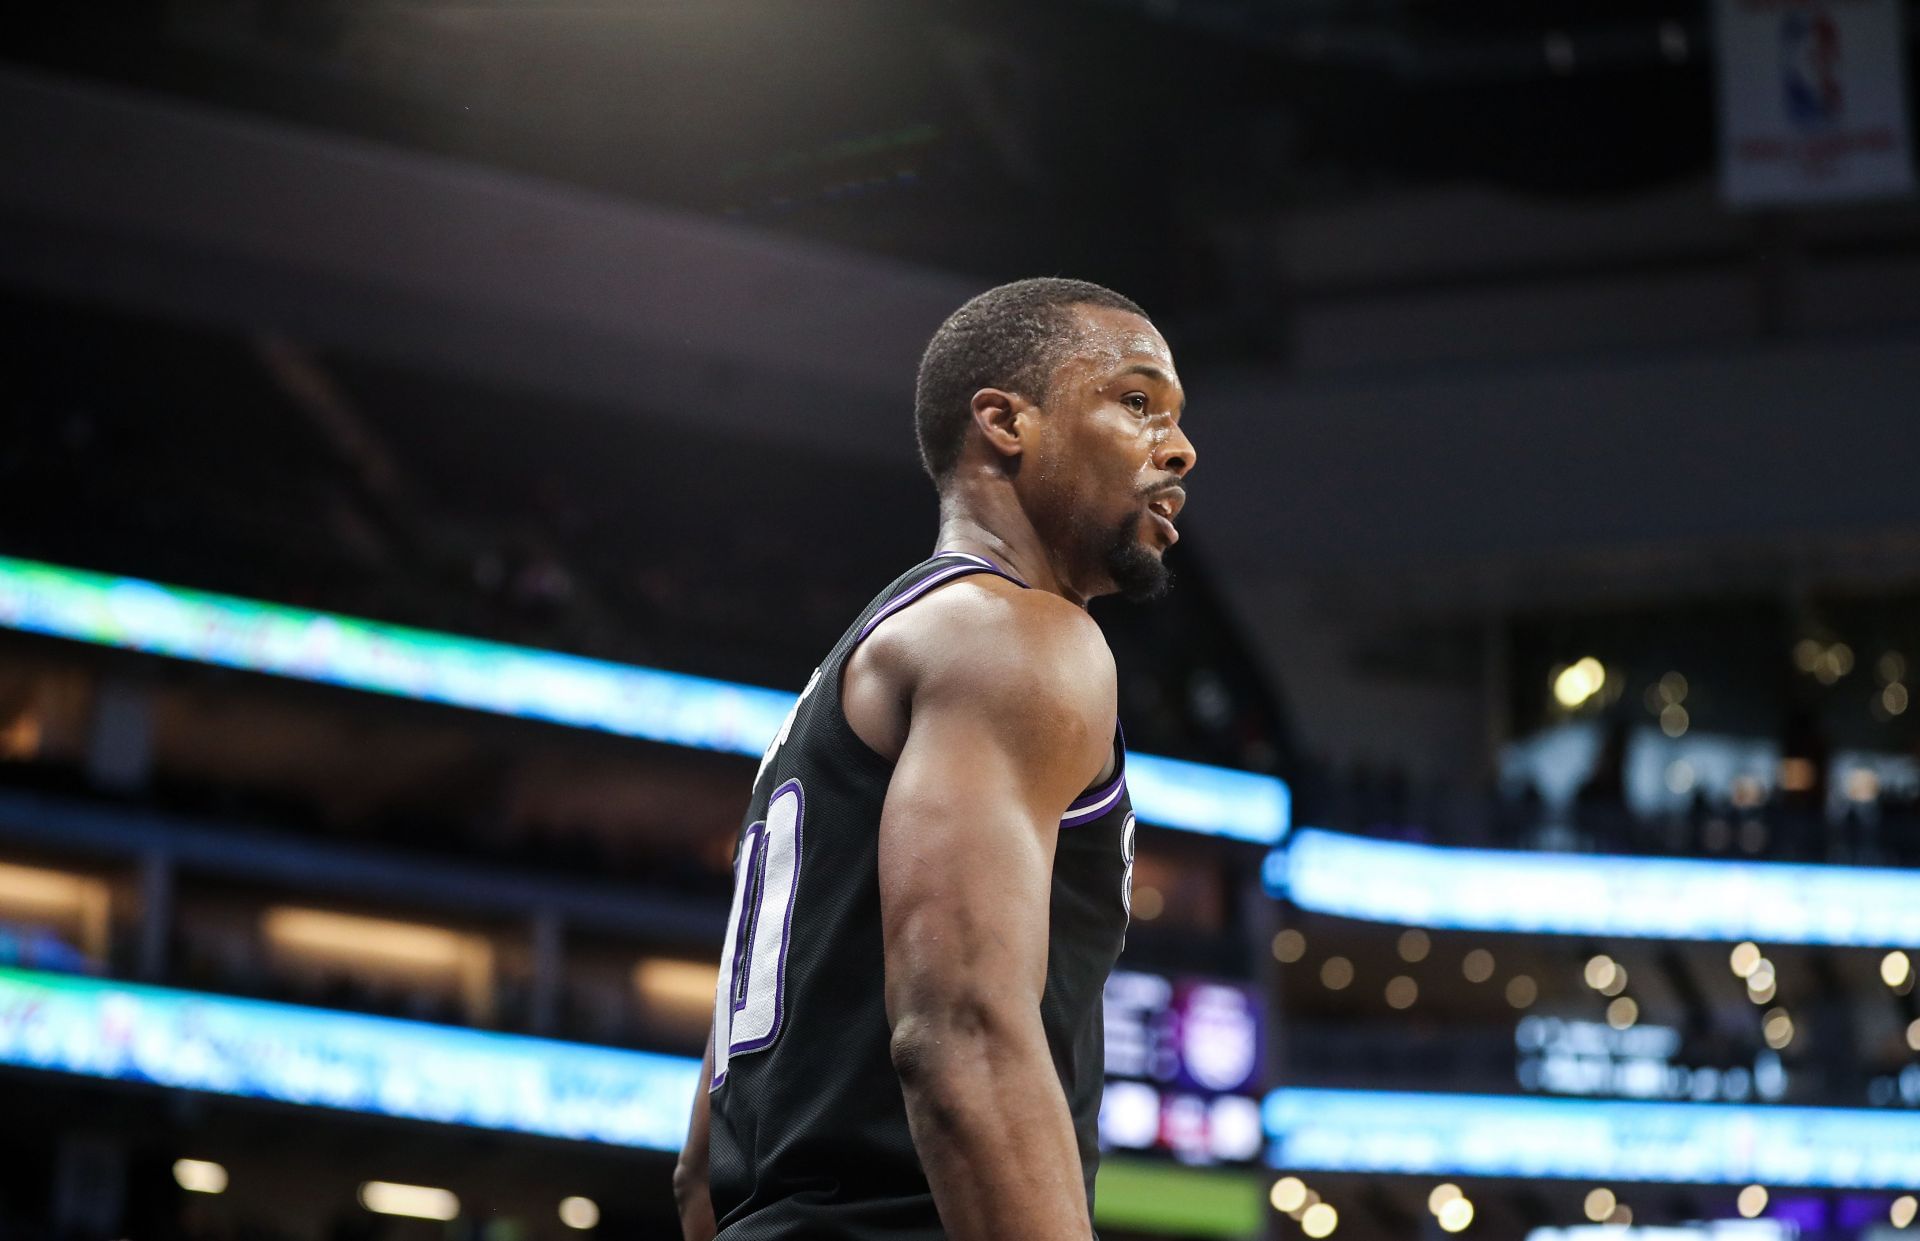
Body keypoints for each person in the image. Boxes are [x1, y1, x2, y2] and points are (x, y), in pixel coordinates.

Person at [674, 277, 1197, 1240]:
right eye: (1134, 402)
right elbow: (962, 1032)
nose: (1178, 447)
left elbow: (699, 1172)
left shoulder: (850, 681)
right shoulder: (1017, 639)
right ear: (1005, 421)